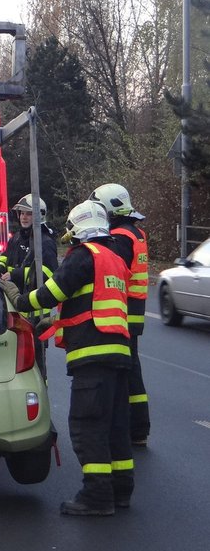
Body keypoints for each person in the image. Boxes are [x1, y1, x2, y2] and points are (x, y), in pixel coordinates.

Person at [0, 200, 133, 516]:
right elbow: (90, 302)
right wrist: (56, 321)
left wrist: (15, 294)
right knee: (115, 425)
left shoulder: (83, 257)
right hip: (118, 354)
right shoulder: (113, 258)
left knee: (88, 426)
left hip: (91, 356)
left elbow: (47, 294)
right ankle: (121, 490)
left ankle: (97, 497)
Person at [90, 183, 150, 446]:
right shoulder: (134, 232)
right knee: (132, 368)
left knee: (126, 371)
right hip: (134, 310)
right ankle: (138, 428)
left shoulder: (121, 237)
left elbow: (113, 271)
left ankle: (134, 428)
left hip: (123, 311)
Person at [0, 194, 58, 377]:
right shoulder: (17, 238)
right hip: (15, 308)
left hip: (35, 314)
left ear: (39, 215)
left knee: (37, 367)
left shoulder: (44, 242)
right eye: (21, 213)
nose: (23, 217)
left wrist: (15, 275)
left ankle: (41, 396)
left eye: (29, 213)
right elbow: (6, 256)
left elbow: (48, 274)